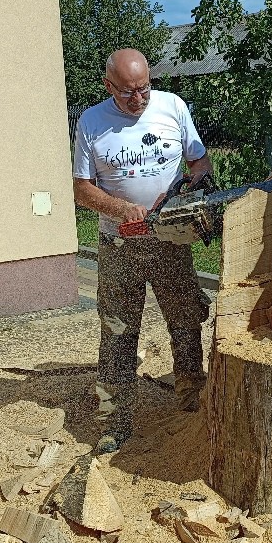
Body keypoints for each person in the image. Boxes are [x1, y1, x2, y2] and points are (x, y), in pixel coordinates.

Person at [73, 48, 213, 453]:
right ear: (109, 86)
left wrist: (193, 188)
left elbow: (199, 161)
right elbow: (82, 190)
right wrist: (122, 209)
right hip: (120, 244)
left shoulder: (172, 106)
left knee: (185, 317)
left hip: (170, 237)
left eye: (144, 89)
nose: (138, 100)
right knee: (118, 329)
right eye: (128, 93)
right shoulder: (93, 123)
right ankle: (115, 422)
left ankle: (191, 397)